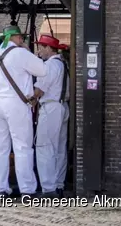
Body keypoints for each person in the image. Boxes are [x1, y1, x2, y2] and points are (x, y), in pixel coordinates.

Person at [0, 26, 46, 197]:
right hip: (16, 103)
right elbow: (43, 70)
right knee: (22, 146)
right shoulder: (21, 53)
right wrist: (28, 51)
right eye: (21, 37)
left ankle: (1, 188)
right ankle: (27, 189)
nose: (22, 40)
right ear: (15, 37)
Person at [33, 34, 70, 198]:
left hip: (50, 107)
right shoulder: (63, 64)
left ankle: (48, 188)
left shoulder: (48, 66)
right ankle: (59, 184)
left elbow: (39, 91)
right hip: (62, 106)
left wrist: (27, 100)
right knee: (60, 148)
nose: (39, 50)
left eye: (41, 47)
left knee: (44, 147)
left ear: (49, 48)